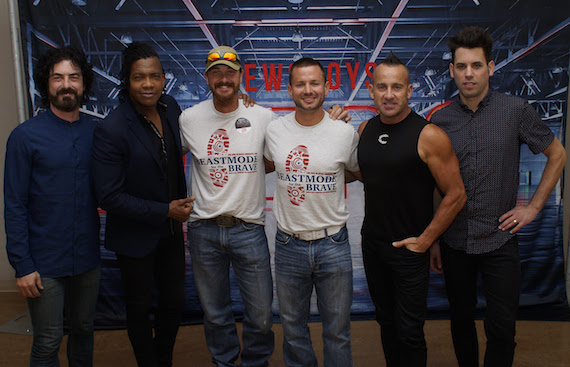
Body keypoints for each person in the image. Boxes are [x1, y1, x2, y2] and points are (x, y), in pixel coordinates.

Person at [178, 46, 348, 367]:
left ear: (241, 77)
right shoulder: (189, 118)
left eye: (230, 72)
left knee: (260, 315)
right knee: (215, 314)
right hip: (203, 229)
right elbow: (163, 157)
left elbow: (286, 152)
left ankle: (256, 363)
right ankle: (224, 362)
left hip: (249, 229)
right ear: (207, 78)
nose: (223, 78)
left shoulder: (263, 117)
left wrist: (331, 122)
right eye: (216, 73)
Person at [429, 26, 566, 367]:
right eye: (461, 66)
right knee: (460, 322)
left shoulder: (515, 110)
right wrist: (433, 238)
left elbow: (558, 154)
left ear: (490, 67)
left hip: (500, 239)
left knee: (502, 327)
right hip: (454, 239)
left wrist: (533, 207)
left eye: (476, 65)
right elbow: (437, 184)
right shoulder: (439, 119)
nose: (469, 73)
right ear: (452, 70)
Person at [357, 52, 467, 367]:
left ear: (409, 91)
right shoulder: (365, 130)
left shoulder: (429, 135)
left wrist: (425, 239)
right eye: (382, 87)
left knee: (409, 332)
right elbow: (364, 174)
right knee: (386, 325)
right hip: (373, 245)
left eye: (396, 87)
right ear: (372, 91)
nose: (389, 94)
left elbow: (456, 194)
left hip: (409, 249)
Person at [92, 42, 193, 367]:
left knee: (175, 303)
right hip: (134, 235)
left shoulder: (172, 108)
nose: (147, 84)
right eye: (139, 77)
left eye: (154, 76)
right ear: (126, 81)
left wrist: (242, 102)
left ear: (164, 78)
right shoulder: (112, 128)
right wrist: (165, 210)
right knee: (138, 308)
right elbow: (109, 196)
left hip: (170, 233)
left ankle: (161, 358)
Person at [4, 46, 101, 366]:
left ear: (83, 83)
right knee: (47, 340)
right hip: (43, 263)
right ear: (46, 84)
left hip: (87, 258)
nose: (66, 84)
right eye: (57, 77)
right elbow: (15, 204)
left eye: (73, 77)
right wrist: (23, 265)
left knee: (85, 331)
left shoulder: (96, 133)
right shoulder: (24, 137)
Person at [263, 57, 360, 367]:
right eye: (300, 84)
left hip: (333, 244)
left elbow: (354, 171)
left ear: (326, 87)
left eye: (314, 83)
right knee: (293, 330)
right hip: (289, 244)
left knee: (337, 332)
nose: (308, 90)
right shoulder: (275, 130)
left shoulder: (344, 133)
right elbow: (268, 163)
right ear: (289, 89)